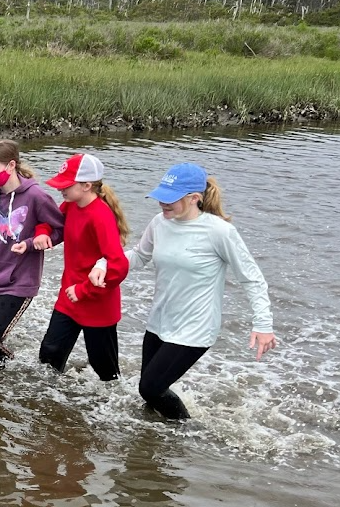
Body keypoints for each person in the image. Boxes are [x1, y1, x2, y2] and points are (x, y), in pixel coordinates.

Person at [91, 163, 276, 419]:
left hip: (195, 328)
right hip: (159, 321)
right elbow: (139, 255)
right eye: (160, 198)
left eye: (170, 200)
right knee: (151, 393)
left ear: (194, 198)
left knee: (150, 387)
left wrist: (263, 324)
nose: (162, 205)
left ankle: (188, 433)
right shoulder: (160, 223)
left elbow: (252, 278)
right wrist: (104, 263)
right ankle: (150, 447)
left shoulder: (219, 231)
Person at [0, 140, 64, 360]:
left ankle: (13, 374)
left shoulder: (36, 196)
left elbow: (60, 229)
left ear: (11, 166)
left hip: (19, 282)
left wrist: (34, 240)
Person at [38, 153, 130, 381]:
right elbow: (51, 222)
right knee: (48, 357)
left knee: (106, 372)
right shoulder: (71, 205)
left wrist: (84, 290)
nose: (61, 189)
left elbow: (118, 266)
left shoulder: (100, 216)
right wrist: (43, 233)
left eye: (66, 185)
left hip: (97, 303)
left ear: (87, 186)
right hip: (68, 298)